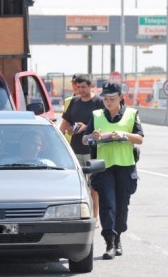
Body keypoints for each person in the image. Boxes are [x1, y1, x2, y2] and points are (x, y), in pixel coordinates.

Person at [82, 81, 144, 260]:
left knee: (122, 205)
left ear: (121, 98)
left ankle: (118, 238)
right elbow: (85, 140)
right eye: (105, 99)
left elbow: (140, 139)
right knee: (108, 204)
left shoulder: (132, 115)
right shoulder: (97, 115)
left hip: (125, 166)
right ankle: (109, 242)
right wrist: (91, 137)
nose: (108, 102)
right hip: (104, 167)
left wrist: (124, 135)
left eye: (112, 99)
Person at [60, 74, 104, 225]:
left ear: (91, 85)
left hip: (92, 150)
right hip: (75, 150)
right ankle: (78, 215)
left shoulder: (99, 102)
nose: (81, 90)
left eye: (84, 87)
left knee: (94, 185)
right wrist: (68, 131)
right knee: (77, 184)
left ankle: (95, 216)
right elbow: (65, 123)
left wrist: (87, 128)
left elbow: (104, 125)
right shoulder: (73, 102)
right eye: (78, 87)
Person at [62, 73, 80, 143]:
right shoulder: (68, 101)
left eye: (77, 83)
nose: (75, 86)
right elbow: (64, 123)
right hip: (69, 142)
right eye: (73, 83)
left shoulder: (93, 101)